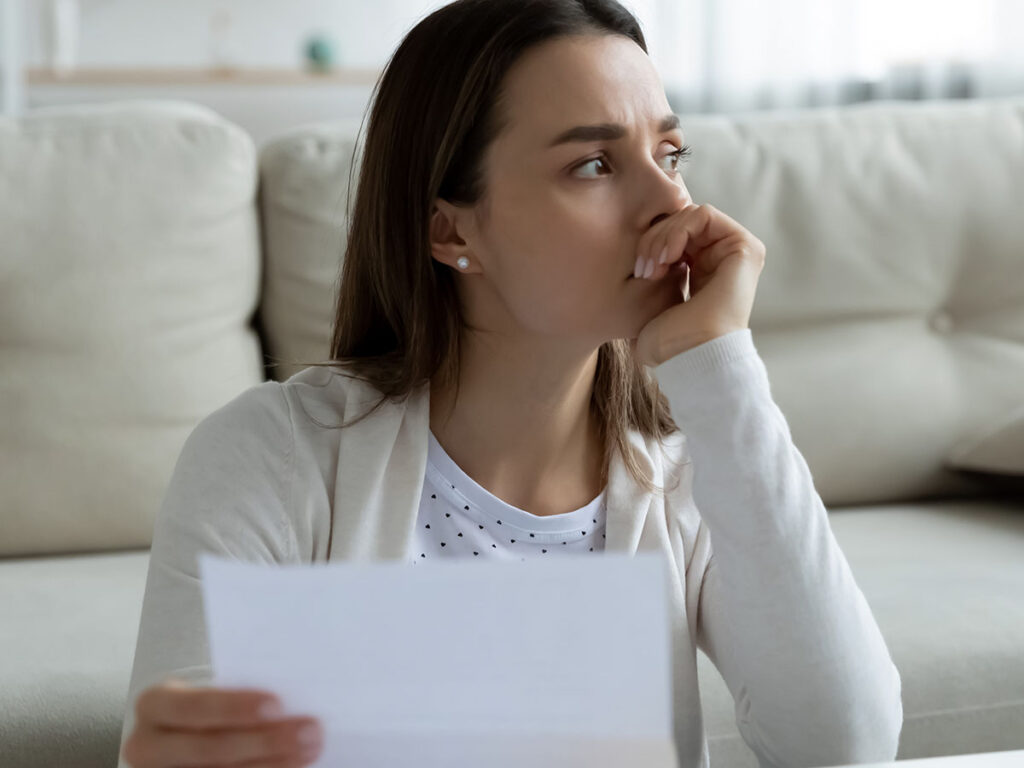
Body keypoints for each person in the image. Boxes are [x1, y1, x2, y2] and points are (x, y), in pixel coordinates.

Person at [118, 1, 904, 766]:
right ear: (453, 231)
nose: (672, 204)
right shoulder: (270, 459)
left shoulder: (695, 466)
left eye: (670, 155)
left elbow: (843, 745)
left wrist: (718, 363)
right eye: (593, 164)